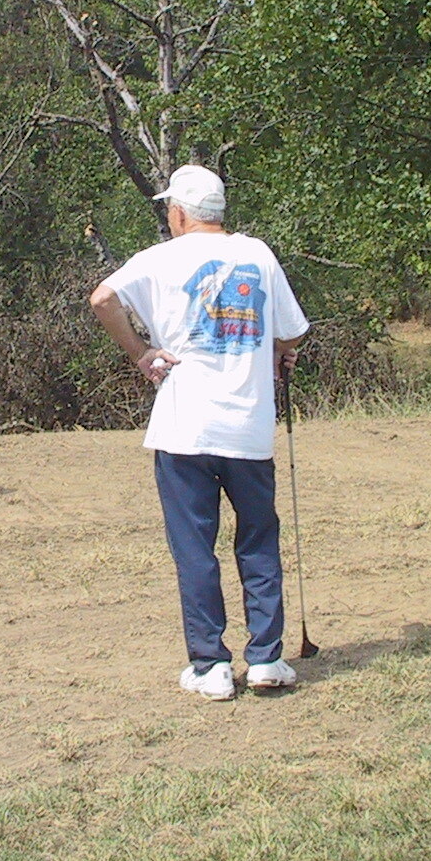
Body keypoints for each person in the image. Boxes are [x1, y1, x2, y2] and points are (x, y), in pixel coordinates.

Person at [89, 165, 311, 700]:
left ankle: (211, 665)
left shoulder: (158, 258)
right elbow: (292, 332)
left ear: (180, 213)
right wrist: (276, 354)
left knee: (195, 548)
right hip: (248, 427)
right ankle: (266, 658)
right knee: (258, 541)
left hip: (184, 427)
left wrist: (141, 352)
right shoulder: (257, 254)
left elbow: (102, 299)